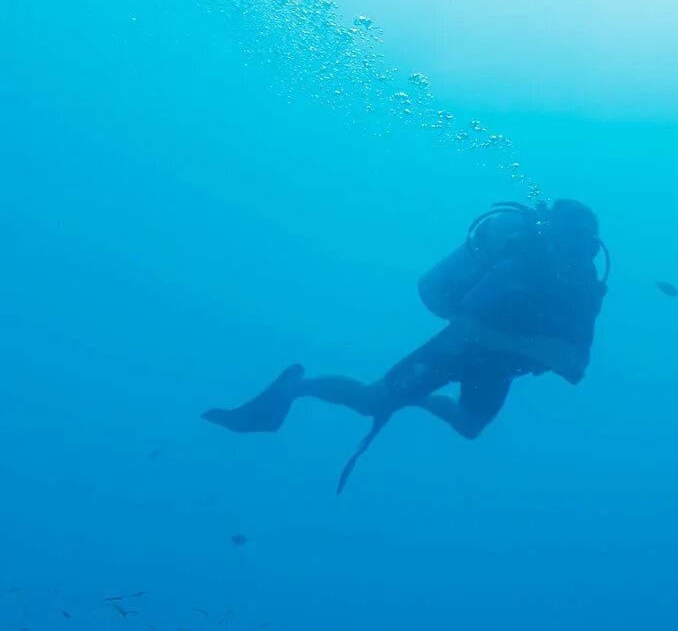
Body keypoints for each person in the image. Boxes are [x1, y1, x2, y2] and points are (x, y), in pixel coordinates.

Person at [202, 199, 608, 492]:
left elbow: (577, 368)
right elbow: (464, 323)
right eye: (569, 244)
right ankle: (293, 388)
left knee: (469, 427)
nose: (574, 257)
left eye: (585, 248)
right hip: (455, 350)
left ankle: (412, 399)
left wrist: (521, 346)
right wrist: (540, 348)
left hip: (499, 366)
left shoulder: (586, 289)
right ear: (551, 239)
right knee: (369, 401)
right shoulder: (514, 266)